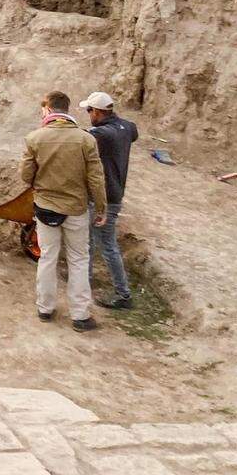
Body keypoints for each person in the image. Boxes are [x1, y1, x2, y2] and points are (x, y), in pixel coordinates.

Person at [20, 90, 107, 331]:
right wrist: (101, 207)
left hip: (46, 208)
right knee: (78, 259)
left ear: (48, 110)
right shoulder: (86, 139)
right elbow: (96, 179)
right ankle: (80, 316)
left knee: (47, 257)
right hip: (76, 209)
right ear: (67, 110)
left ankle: (45, 308)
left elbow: (25, 176)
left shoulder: (35, 138)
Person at [81, 91, 138, 310]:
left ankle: (123, 295)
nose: (88, 115)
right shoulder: (127, 127)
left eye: (89, 111)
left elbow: (80, 139)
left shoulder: (102, 133)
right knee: (94, 241)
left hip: (104, 196)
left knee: (105, 244)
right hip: (115, 192)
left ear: (97, 112)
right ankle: (84, 282)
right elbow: (133, 132)